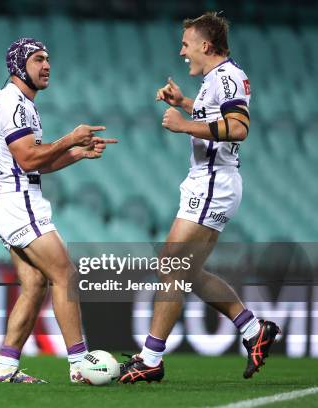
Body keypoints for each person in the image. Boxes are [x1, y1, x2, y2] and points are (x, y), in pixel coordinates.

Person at [118, 12, 280, 383]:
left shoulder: (227, 77)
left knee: (171, 267)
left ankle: (151, 358)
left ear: (205, 46)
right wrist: (186, 103)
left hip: (212, 182)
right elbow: (219, 116)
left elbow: (238, 128)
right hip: (209, 182)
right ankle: (254, 330)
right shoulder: (218, 79)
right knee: (185, 272)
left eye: (186, 44)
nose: (181, 51)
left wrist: (183, 123)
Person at [0, 37, 117, 384]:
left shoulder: (16, 102)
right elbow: (29, 158)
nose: (47, 65)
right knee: (66, 275)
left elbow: (36, 163)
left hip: (13, 201)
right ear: (19, 65)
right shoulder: (15, 105)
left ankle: (4, 368)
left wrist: (77, 153)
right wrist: (70, 139)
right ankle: (79, 365)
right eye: (38, 59)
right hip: (20, 202)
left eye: (48, 59)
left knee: (34, 284)